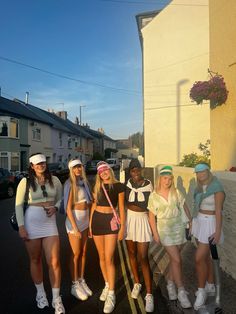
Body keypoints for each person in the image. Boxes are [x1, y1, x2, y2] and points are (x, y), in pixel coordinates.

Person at [15, 153, 65, 314]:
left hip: (49, 224)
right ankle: (41, 294)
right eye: (37, 163)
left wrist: (56, 207)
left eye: (43, 162)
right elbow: (18, 205)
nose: (41, 165)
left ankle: (56, 298)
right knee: (35, 259)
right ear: (31, 165)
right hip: (31, 223)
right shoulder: (25, 181)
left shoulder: (55, 180)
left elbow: (61, 199)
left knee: (54, 261)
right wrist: (21, 226)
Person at [148, 165, 192, 309]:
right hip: (165, 230)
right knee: (177, 260)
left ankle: (170, 284)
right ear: (160, 179)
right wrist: (155, 233)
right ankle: (181, 291)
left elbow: (184, 206)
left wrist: (190, 222)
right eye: (165, 178)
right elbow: (151, 216)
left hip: (178, 228)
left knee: (175, 260)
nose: (167, 181)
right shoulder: (154, 196)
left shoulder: (176, 192)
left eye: (170, 179)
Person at [90, 161, 125, 313]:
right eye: (101, 171)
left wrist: (122, 228)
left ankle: (112, 294)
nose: (104, 173)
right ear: (99, 174)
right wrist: (90, 225)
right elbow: (93, 206)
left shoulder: (118, 186)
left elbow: (121, 209)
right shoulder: (97, 187)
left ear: (110, 170)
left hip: (110, 221)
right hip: (97, 220)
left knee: (109, 258)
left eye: (105, 170)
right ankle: (107, 283)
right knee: (102, 256)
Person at [192, 163, 225, 310]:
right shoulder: (199, 187)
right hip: (200, 222)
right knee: (206, 257)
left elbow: (218, 211)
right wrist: (193, 223)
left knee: (198, 258)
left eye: (203, 171)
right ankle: (210, 285)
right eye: (198, 173)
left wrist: (217, 231)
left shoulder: (217, 188)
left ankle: (201, 292)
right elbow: (196, 206)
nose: (200, 175)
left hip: (211, 223)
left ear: (208, 172)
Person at [125, 159, 154, 312]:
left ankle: (149, 294)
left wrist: (154, 227)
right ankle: (137, 283)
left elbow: (153, 206)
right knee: (131, 253)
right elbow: (122, 202)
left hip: (143, 220)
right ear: (130, 171)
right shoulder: (127, 184)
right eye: (132, 170)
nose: (135, 173)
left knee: (143, 256)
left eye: (137, 170)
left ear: (141, 170)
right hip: (130, 220)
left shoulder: (149, 184)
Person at [64, 158, 93, 301]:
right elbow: (68, 208)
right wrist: (75, 228)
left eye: (79, 167)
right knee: (75, 253)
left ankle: (81, 280)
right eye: (75, 168)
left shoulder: (85, 183)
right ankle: (74, 284)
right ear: (71, 169)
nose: (78, 170)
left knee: (84, 252)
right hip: (74, 223)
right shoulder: (70, 184)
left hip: (85, 222)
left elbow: (90, 202)